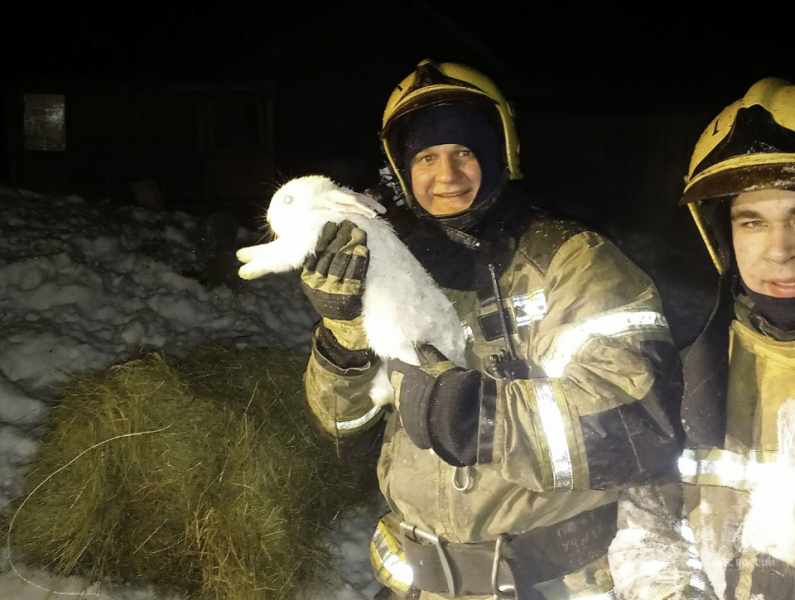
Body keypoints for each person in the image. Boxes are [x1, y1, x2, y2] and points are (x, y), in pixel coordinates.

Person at [302, 59, 684, 599]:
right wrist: (344, 337)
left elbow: (638, 424)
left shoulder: (572, 260)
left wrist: (477, 418)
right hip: (423, 585)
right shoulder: (391, 266)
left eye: (464, 152)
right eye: (427, 157)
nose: (446, 175)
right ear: (401, 169)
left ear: (500, 153)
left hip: (555, 583)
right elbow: (342, 427)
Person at [608, 77, 795, 599]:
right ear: (724, 237)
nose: (780, 250)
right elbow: (645, 531)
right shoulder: (690, 372)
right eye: (752, 221)